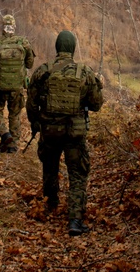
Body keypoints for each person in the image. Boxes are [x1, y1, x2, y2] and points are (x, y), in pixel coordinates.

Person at [27, 30, 104, 236]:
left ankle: (51, 205)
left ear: (57, 47)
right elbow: (96, 105)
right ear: (73, 48)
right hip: (74, 134)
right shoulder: (85, 72)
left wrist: (36, 124)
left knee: (50, 167)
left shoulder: (43, 71)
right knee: (78, 174)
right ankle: (75, 220)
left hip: (50, 131)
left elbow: (32, 104)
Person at [0, 14, 35, 153]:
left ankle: (5, 135)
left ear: (2, 27)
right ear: (14, 27)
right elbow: (29, 64)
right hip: (17, 87)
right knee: (15, 114)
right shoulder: (23, 43)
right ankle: (13, 144)